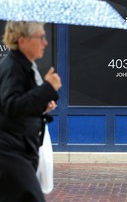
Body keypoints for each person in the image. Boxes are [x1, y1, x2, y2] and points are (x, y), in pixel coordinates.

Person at [0, 21, 61, 202]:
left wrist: (43, 106)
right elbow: (13, 106)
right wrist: (48, 88)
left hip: (21, 148)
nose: (45, 43)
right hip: (11, 152)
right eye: (41, 37)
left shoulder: (24, 66)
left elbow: (20, 104)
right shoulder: (13, 67)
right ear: (22, 40)